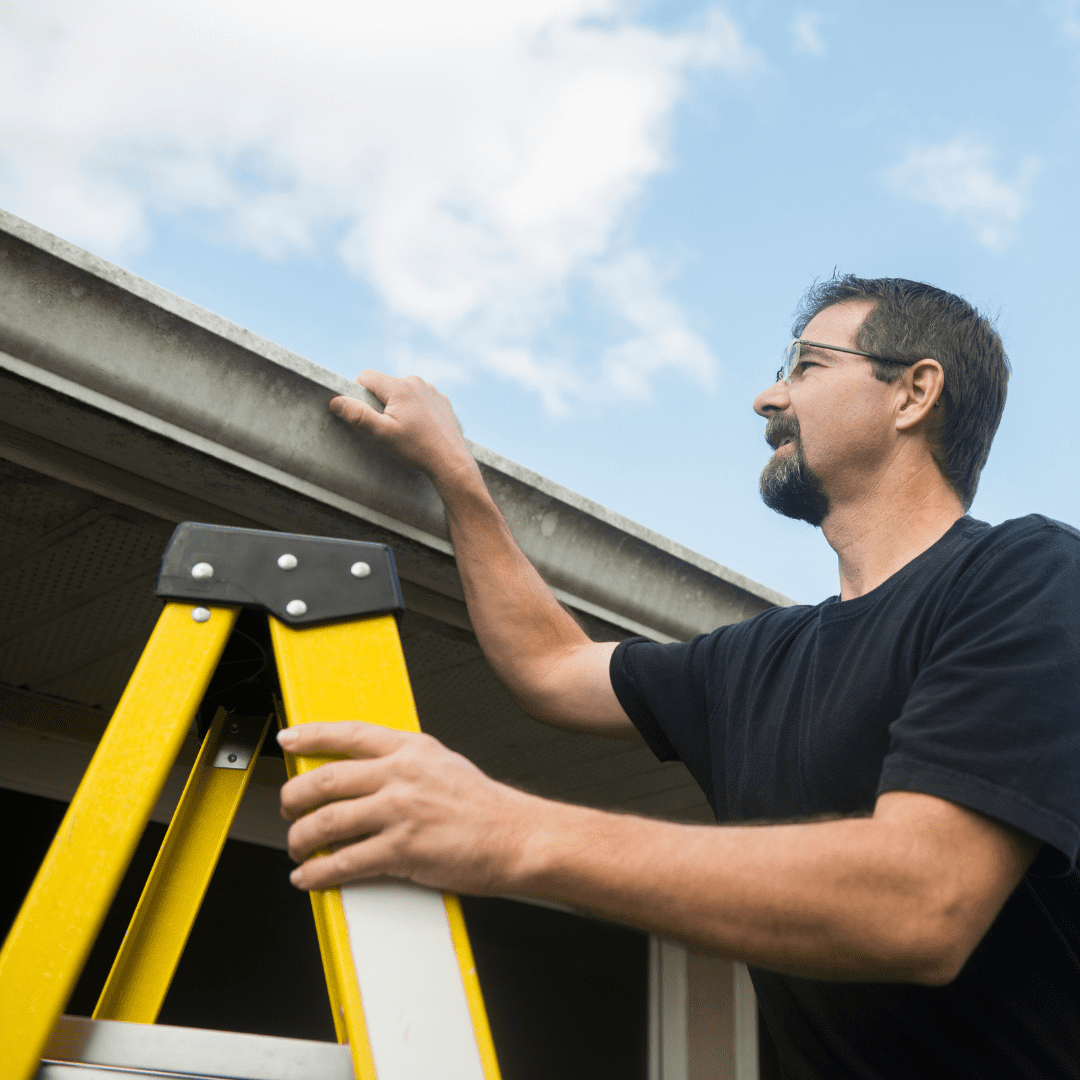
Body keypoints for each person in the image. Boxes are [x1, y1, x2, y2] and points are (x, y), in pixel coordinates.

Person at [277, 276, 1079, 1079]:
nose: (767, 399)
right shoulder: (754, 660)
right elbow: (551, 668)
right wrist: (456, 476)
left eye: (804, 366)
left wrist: (508, 832)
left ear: (914, 392)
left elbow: (924, 900)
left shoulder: (1030, 576)